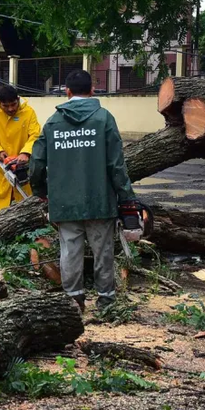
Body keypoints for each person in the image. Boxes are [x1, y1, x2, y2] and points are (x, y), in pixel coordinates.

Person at [29, 70, 137, 315]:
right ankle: (106, 302)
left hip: (65, 203)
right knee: (103, 252)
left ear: (67, 92)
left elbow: (36, 163)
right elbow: (116, 165)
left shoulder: (53, 122)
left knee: (70, 251)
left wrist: (41, 191)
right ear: (93, 90)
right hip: (100, 200)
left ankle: (74, 302)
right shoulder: (104, 119)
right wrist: (127, 198)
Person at [0, 85, 41, 211]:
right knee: (1, 207)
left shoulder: (28, 112)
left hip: (23, 167)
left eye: (13, 104)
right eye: (6, 106)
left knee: (26, 206)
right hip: (3, 168)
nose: (10, 109)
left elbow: (35, 135)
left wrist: (26, 152)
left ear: (18, 99)